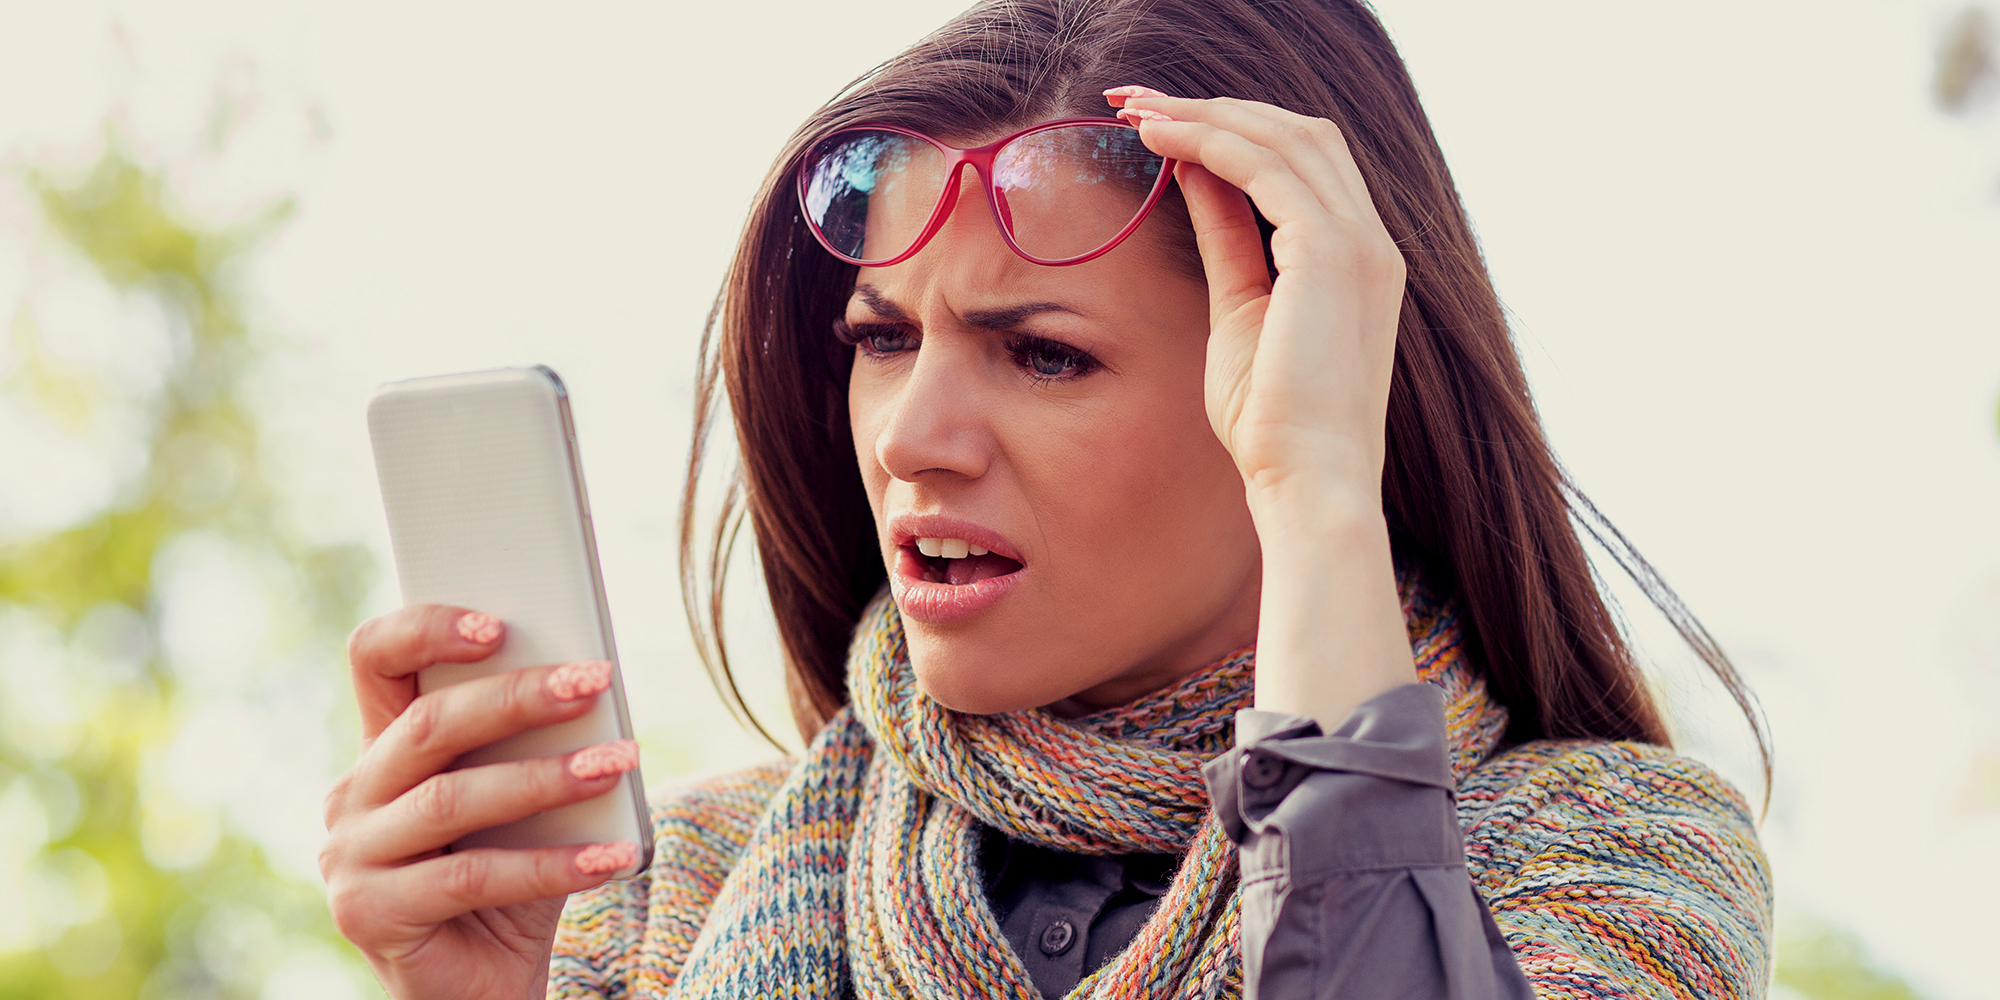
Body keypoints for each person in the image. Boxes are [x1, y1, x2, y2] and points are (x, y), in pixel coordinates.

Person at [319, 0, 1774, 997]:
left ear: (1322, 383)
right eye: (883, 339)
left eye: (1045, 354)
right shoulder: (662, 897)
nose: (914, 439)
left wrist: (1315, 498)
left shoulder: (1620, 865)